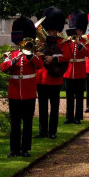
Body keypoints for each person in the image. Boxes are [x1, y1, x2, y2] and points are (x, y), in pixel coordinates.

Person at [0, 16, 43, 157]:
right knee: (15, 124)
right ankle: (14, 149)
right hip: (14, 93)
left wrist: (29, 55)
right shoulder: (11, 54)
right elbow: (3, 67)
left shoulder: (33, 54)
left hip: (29, 93)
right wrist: (14, 60)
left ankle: (25, 149)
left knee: (27, 123)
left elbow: (39, 65)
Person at [35, 9, 72, 139]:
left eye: (54, 29)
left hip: (55, 77)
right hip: (41, 77)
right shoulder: (39, 41)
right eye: (50, 29)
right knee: (43, 107)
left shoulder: (62, 41)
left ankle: (52, 132)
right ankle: (42, 131)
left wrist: (53, 58)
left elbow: (67, 56)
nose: (52, 32)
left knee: (54, 107)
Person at [64, 11, 89, 124]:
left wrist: (79, 44)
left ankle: (78, 117)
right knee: (69, 96)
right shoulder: (68, 41)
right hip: (69, 71)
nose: (76, 31)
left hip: (79, 71)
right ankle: (69, 117)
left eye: (78, 29)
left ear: (81, 29)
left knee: (79, 96)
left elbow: (87, 53)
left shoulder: (84, 41)